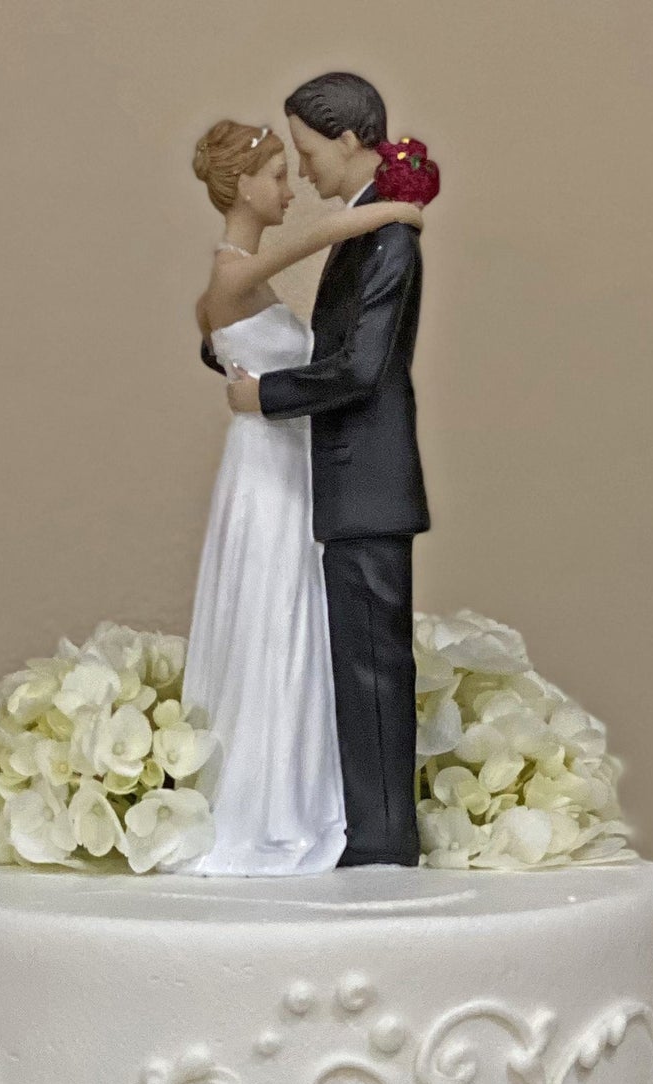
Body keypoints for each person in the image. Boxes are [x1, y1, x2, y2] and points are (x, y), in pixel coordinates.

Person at [185, 119, 423, 876]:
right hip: (268, 472)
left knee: (299, 622)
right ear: (242, 186)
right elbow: (314, 243)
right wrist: (389, 209)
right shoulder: (232, 271)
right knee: (273, 617)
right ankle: (270, 805)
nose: (290, 190)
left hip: (296, 466)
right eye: (278, 176)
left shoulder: (233, 284)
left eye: (295, 172)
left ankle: (307, 789)